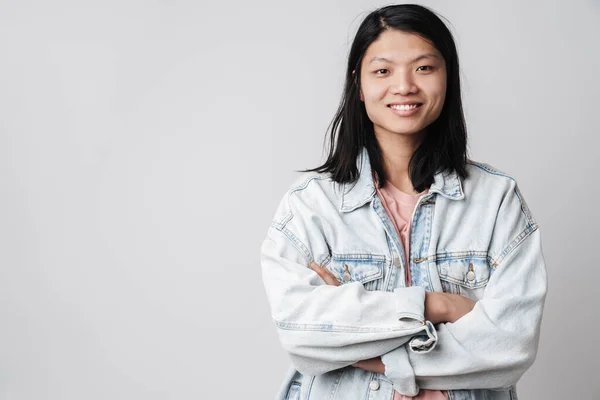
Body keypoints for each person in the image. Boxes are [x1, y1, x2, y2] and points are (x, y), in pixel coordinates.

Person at [260, 4, 547, 399]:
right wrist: (439, 306)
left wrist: (370, 347)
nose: (404, 86)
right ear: (358, 84)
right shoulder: (312, 207)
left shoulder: (497, 201)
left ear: (448, 78)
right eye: (383, 71)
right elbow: (301, 333)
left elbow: (512, 344)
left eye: (424, 68)